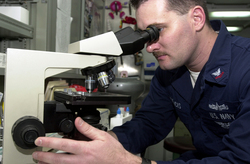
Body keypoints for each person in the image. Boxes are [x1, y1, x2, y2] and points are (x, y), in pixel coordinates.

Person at [32, 0, 250, 163]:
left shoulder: (245, 67)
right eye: (146, 35)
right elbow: (149, 123)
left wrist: (126, 161)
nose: (149, 46)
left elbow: (240, 159)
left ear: (197, 19)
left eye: (158, 31)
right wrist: (104, 140)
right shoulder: (170, 73)